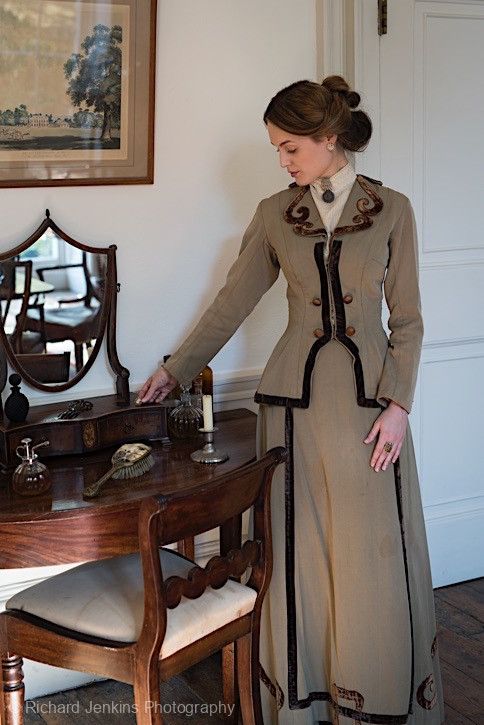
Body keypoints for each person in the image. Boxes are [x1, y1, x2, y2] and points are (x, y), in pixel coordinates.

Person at [138, 76, 445, 724]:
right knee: (298, 558)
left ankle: (378, 702)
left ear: (328, 139)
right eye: (277, 149)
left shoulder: (394, 210)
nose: (281, 160)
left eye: (288, 147)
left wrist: (399, 405)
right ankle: (304, 706)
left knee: (372, 562)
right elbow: (231, 303)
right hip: (290, 414)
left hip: (369, 414)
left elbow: (410, 321)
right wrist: (175, 367)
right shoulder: (276, 214)